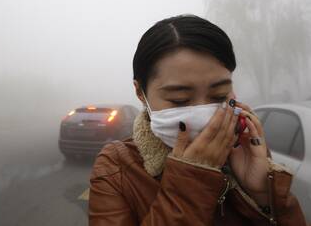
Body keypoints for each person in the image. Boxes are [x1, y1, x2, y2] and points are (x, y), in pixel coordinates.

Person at [88, 14, 306, 225]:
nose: (203, 115)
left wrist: (262, 195)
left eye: (219, 96)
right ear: (139, 92)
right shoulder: (117, 167)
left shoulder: (244, 152)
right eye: (179, 99)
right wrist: (191, 184)